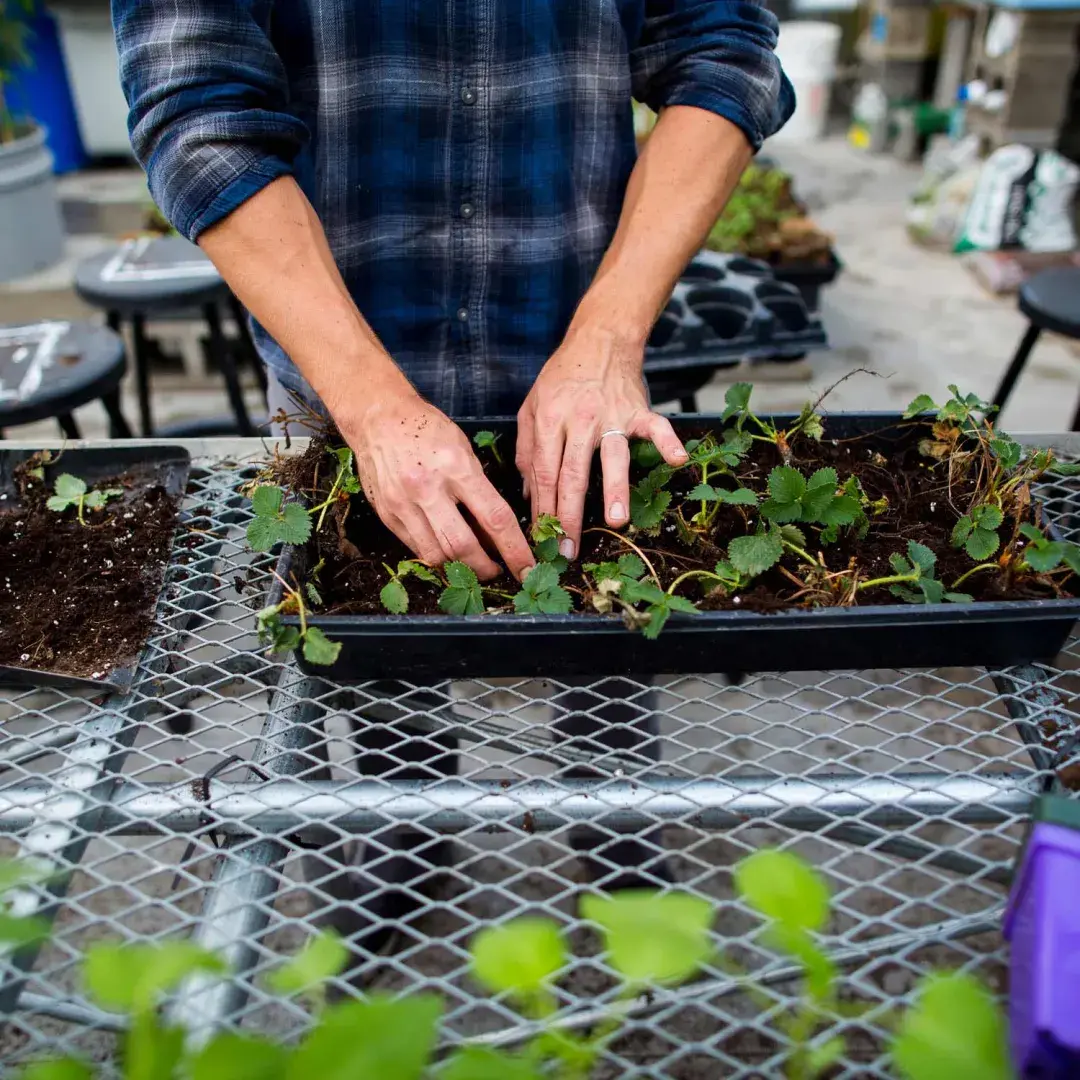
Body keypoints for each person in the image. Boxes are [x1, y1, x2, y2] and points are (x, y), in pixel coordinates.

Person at [113, 0, 793, 951]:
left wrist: (608, 337)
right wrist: (371, 405)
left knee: (611, 602)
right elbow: (199, 115)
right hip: (340, 358)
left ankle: (615, 813)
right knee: (379, 641)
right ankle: (409, 824)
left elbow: (723, 51)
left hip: (577, 337)